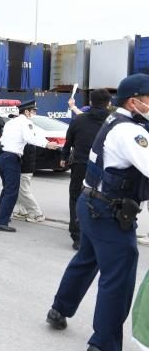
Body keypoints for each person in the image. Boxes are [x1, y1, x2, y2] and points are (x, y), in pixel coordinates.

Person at [46, 74, 149, 351]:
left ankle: (59, 309)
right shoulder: (131, 132)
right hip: (110, 212)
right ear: (134, 102)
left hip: (92, 203)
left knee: (86, 259)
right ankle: (103, 344)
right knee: (118, 277)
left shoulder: (116, 120)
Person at [0, 100, 60, 232]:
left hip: (3, 156)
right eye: (33, 111)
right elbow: (30, 138)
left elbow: (35, 135)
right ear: (26, 111)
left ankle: (1, 216)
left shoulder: (11, 122)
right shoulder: (25, 122)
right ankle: (0, 221)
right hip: (11, 158)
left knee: (7, 189)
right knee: (11, 191)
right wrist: (47, 145)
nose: (34, 113)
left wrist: (45, 142)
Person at [61, 89, 112, 250]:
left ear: (90, 102)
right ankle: (99, 234)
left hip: (80, 164)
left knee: (76, 197)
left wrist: (63, 158)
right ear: (109, 104)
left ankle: (78, 236)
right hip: (105, 167)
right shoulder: (113, 122)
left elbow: (69, 141)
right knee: (103, 199)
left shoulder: (79, 120)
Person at [11, 144, 45, 222]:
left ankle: (37, 214)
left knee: (24, 192)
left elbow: (21, 156)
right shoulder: (28, 142)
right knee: (19, 192)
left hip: (24, 170)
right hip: (24, 169)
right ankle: (23, 212)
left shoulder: (27, 143)